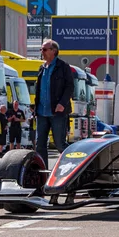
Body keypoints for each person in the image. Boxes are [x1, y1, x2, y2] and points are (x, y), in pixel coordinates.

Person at [34, 39, 74, 167]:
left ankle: (74, 167)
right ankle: (43, 174)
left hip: (57, 112)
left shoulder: (63, 67)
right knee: (40, 145)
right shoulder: (42, 68)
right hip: (41, 112)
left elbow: (70, 87)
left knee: (60, 144)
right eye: (41, 49)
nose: (42, 52)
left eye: (44, 49)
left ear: (54, 51)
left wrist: (62, 103)